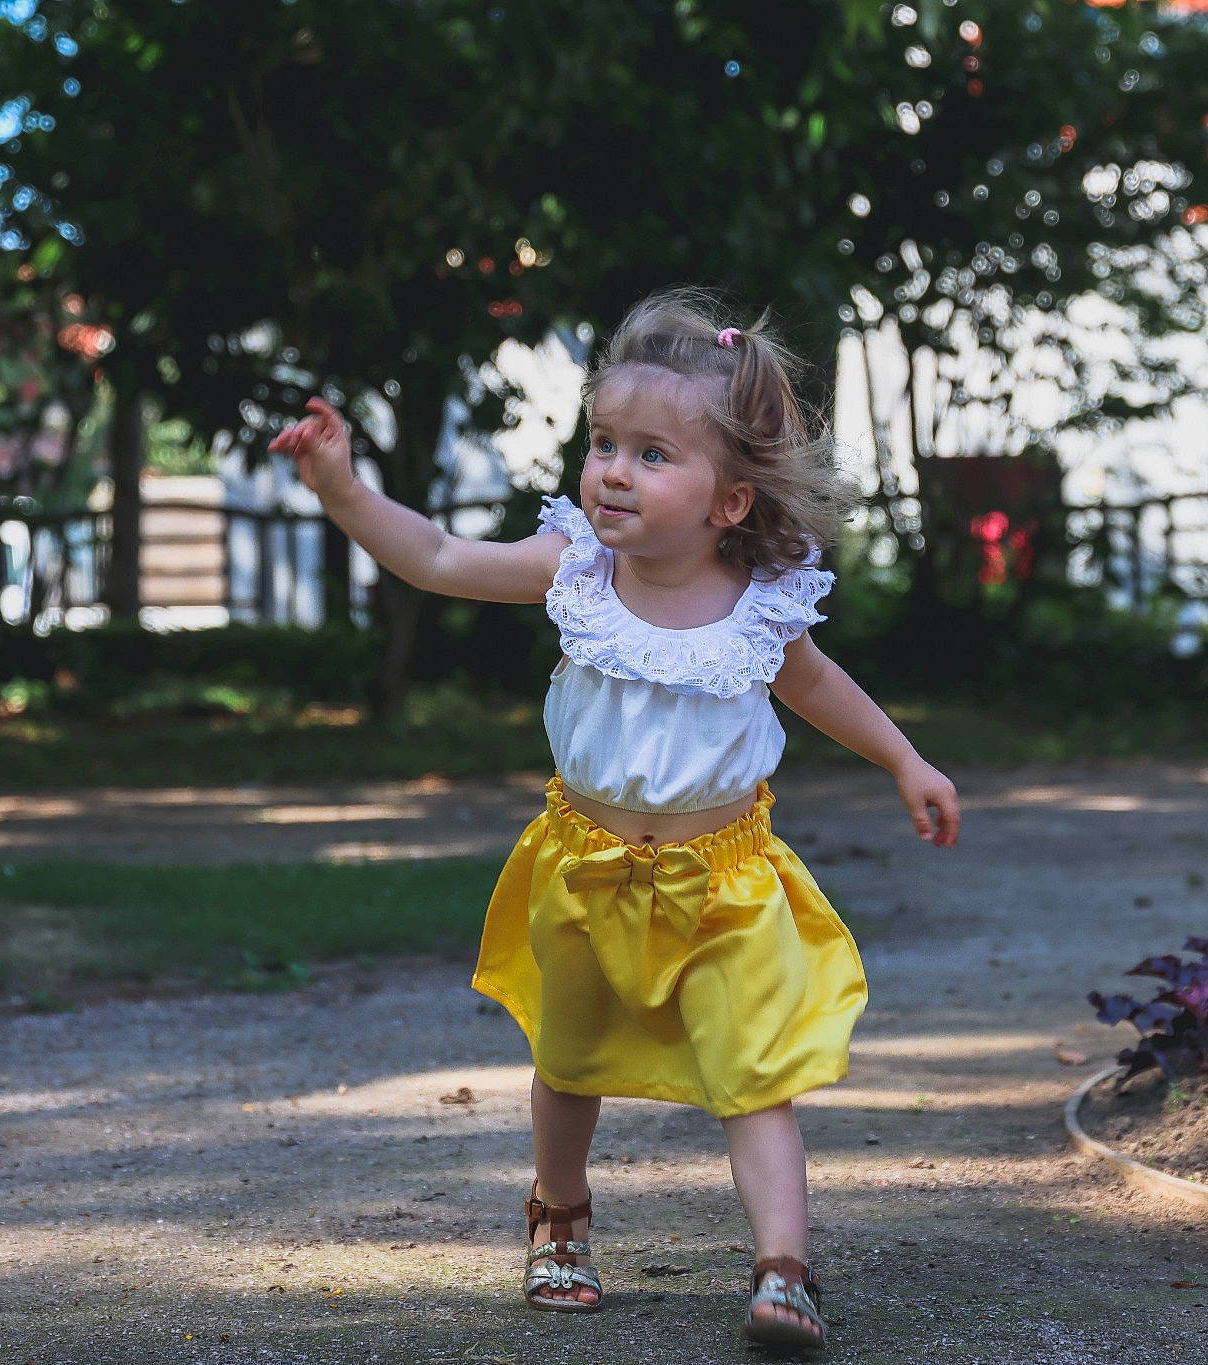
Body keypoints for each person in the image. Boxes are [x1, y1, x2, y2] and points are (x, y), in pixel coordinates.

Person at [272, 289, 961, 1353]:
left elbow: (821, 689)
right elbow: (440, 559)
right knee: (568, 1058)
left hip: (728, 884)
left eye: (650, 455)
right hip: (585, 868)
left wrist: (906, 761)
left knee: (754, 1073)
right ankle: (560, 1212)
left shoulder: (761, 602)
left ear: (728, 502)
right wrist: (342, 487)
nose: (611, 471)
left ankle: (783, 1267)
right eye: (603, 444)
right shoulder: (574, 572)